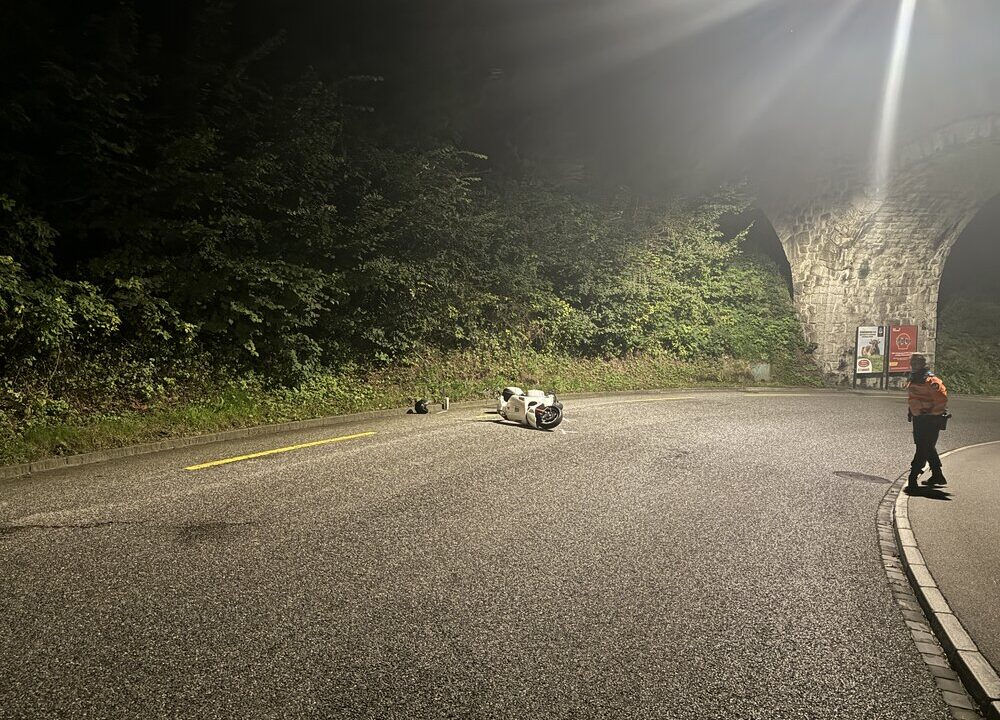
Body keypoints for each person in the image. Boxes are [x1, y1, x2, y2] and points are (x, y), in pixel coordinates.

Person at [906, 353, 948, 492]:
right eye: (912, 363)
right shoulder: (915, 378)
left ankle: (913, 477)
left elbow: (941, 399)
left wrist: (932, 414)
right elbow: (914, 398)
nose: (913, 365)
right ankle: (937, 475)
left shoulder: (931, 380)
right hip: (919, 418)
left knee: (923, 448)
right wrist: (911, 411)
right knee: (927, 446)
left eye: (916, 363)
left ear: (922, 364)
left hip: (930, 420)